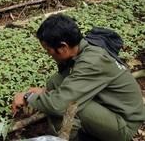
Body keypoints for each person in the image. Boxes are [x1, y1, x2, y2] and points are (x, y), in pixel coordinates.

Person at [12, 14, 145, 141]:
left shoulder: (92, 61)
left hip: (124, 125)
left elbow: (59, 105)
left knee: (68, 108)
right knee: (55, 82)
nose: (48, 54)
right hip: (115, 109)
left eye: (48, 49)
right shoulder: (85, 47)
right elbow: (61, 83)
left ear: (63, 46)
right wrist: (43, 91)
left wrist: (28, 98)